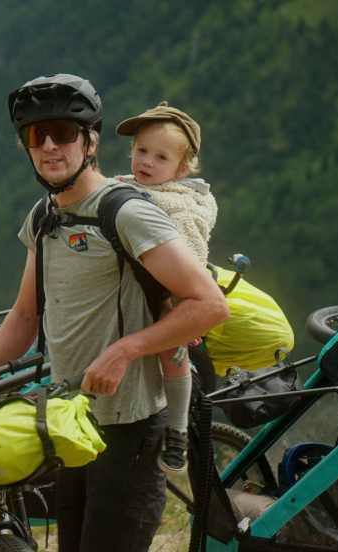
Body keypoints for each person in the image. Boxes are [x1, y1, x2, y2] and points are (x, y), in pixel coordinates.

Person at [0, 74, 228, 552]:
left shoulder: (128, 214)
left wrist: (125, 350)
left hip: (131, 429)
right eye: (37, 135)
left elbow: (209, 305)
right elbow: (24, 316)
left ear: (91, 139)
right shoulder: (44, 216)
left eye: (64, 132)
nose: (50, 146)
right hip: (72, 423)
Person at [115, 101, 217, 473]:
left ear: (182, 168)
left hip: (172, 292)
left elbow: (192, 249)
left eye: (160, 157)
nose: (147, 162)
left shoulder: (184, 204)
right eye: (141, 151)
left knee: (171, 351)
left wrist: (186, 305)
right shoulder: (122, 189)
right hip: (134, 285)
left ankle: (176, 431)